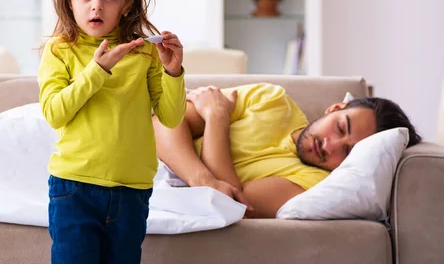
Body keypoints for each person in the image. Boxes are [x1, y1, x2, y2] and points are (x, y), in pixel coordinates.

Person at [38, 0, 186, 264]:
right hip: (73, 188)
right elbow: (54, 112)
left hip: (131, 192)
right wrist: (96, 71)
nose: (96, 5)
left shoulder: (145, 52)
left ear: (126, 3)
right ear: (69, 0)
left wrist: (174, 72)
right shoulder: (60, 49)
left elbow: (171, 118)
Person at [153, 83, 421, 219]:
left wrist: (217, 118)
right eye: (340, 128)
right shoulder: (270, 99)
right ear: (334, 109)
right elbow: (164, 121)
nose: (329, 145)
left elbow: (233, 204)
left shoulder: (313, 184)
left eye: (348, 152)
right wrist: (204, 179)